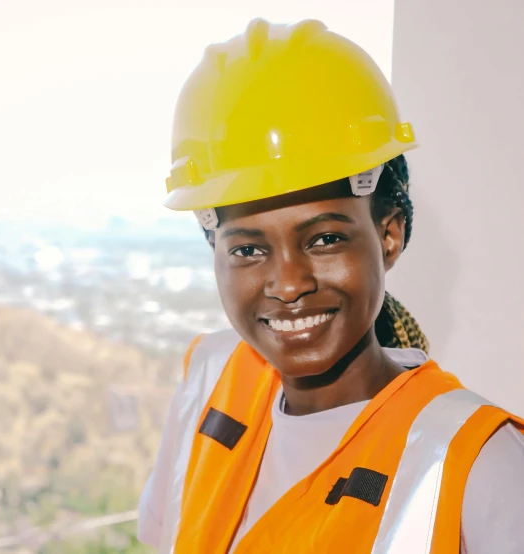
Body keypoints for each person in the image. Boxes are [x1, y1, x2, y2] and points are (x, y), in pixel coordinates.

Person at [137, 18, 524, 554]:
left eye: (323, 240)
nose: (289, 283)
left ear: (388, 235)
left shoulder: (476, 462)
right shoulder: (209, 380)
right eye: (248, 249)